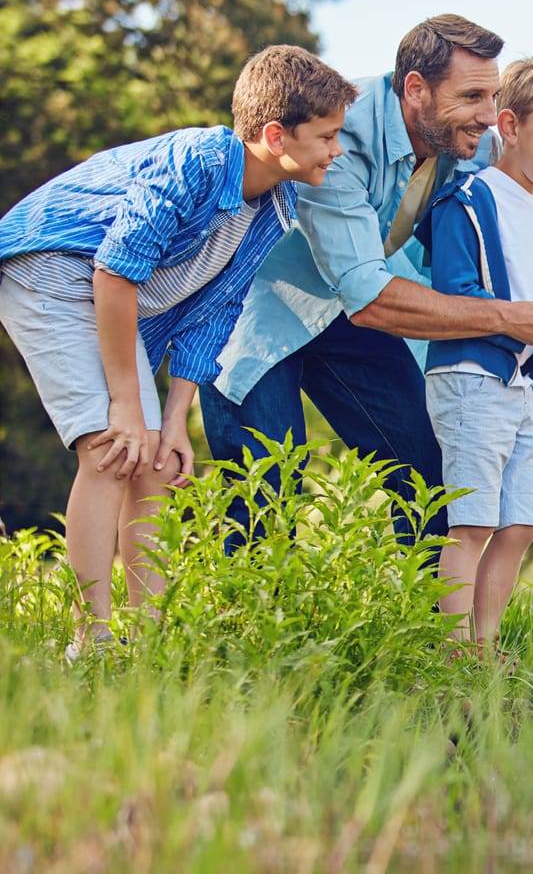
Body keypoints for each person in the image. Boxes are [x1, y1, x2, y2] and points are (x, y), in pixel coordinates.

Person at [201, 15, 533, 543]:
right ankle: (232, 625)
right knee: (264, 494)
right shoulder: (341, 135)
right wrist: (512, 319)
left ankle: (430, 626)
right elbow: (369, 298)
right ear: (415, 90)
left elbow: (515, 197)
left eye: (492, 96)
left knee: (433, 480)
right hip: (257, 311)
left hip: (350, 312)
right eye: (473, 96)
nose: (488, 116)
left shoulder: (467, 135)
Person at [0, 46, 355, 656]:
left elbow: (213, 315)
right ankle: (92, 641)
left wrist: (172, 423)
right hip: (53, 269)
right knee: (112, 449)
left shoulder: (274, 205)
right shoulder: (196, 162)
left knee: (159, 462)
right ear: (276, 134)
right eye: (326, 136)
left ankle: (148, 639)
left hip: (111, 298)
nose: (336, 150)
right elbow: (115, 272)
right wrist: (127, 410)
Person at [415, 56, 533, 646]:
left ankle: (484, 647)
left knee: (519, 525)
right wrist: (530, 326)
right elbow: (458, 296)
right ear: (511, 126)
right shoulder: (466, 200)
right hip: (470, 379)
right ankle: (448, 655)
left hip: (523, 388)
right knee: (471, 524)